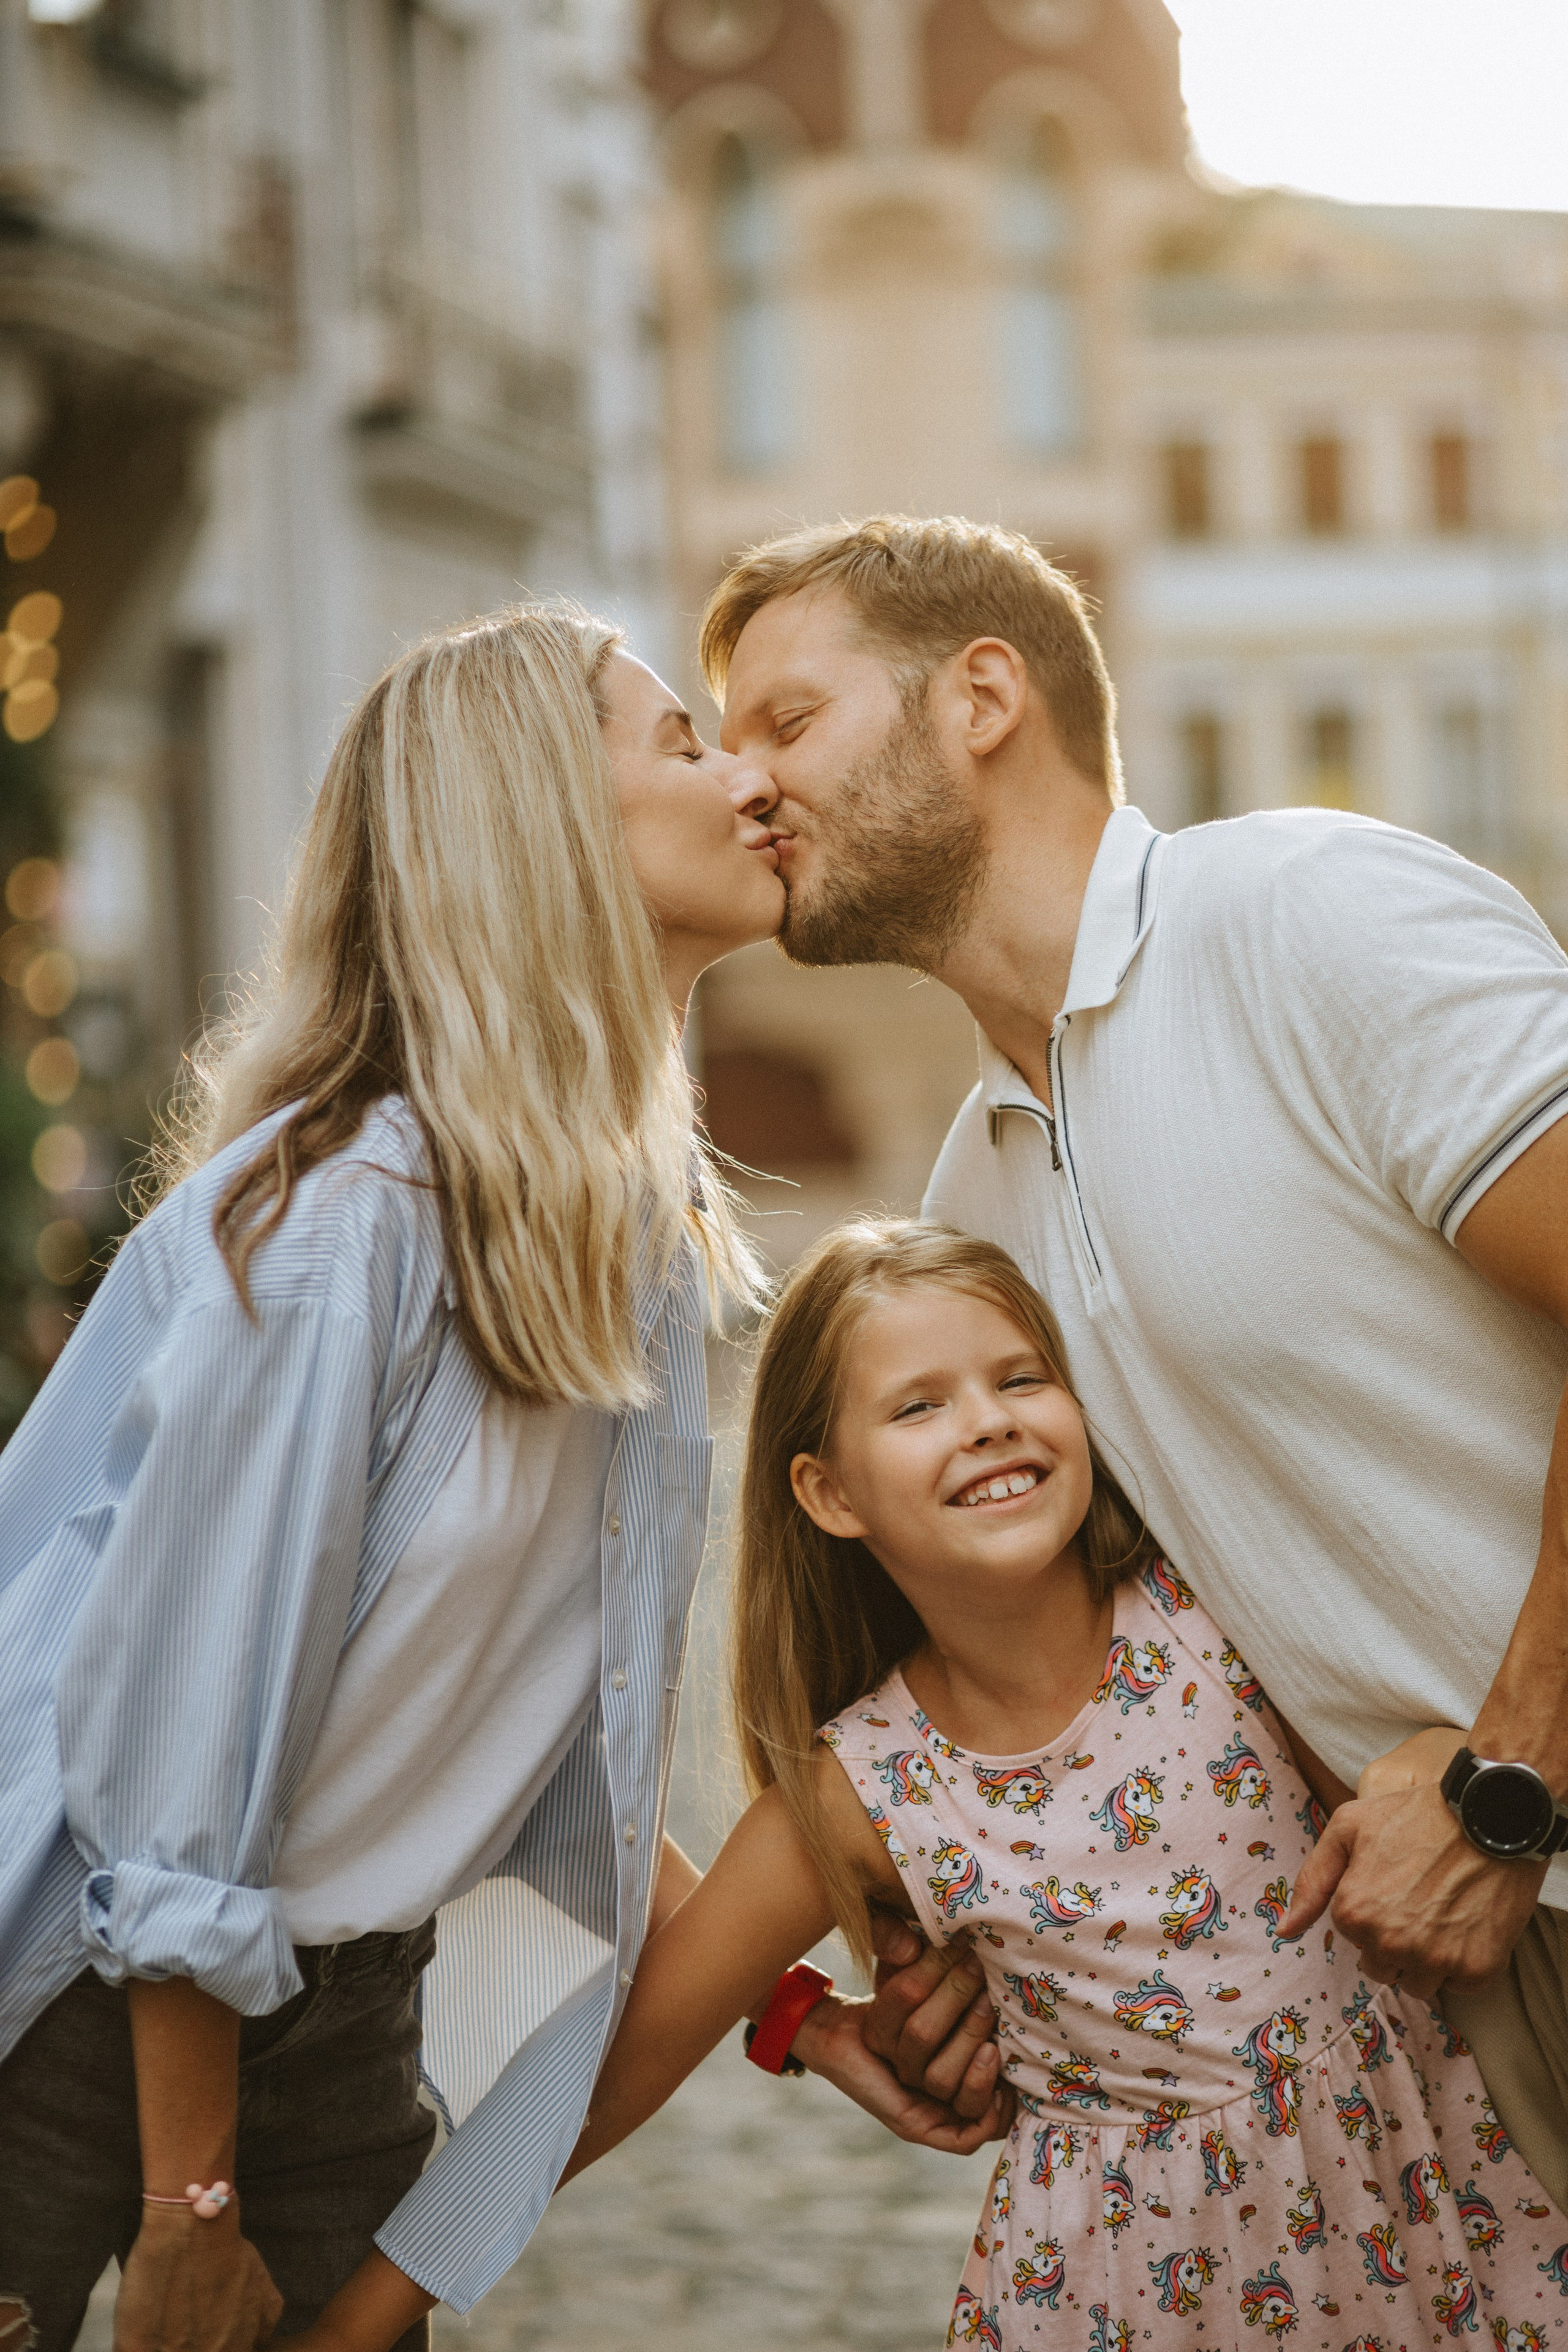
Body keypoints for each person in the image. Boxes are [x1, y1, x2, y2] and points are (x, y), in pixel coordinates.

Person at [0, 605, 998, 2350]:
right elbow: (180, 1754)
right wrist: (188, 2206)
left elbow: (555, 1737)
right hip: (87, 2022)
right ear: (541, 820)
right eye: (682, 742)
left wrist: (791, 2011)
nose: (751, 775)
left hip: (344, 2017)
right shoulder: (342, 1232)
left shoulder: (622, 1240)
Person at [698, 514, 1568, 2207]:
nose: (746, 788)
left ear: (984, 695)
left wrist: (1514, 1770)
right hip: (1487, 1967)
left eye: (786, 724)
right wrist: (921, 1952)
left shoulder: (1311, 916)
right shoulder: (977, 1194)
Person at [563, 1222, 1566, 2349]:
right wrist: (370, 2308)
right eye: (917, 1406)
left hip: (1415, 2197)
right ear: (829, 1491)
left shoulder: (1208, 1608)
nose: (987, 1420)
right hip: (1125, 2285)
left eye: (1019, 1379)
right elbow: (623, 2065)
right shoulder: (866, 1785)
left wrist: (1442, 1760)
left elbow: (1393, 1764)